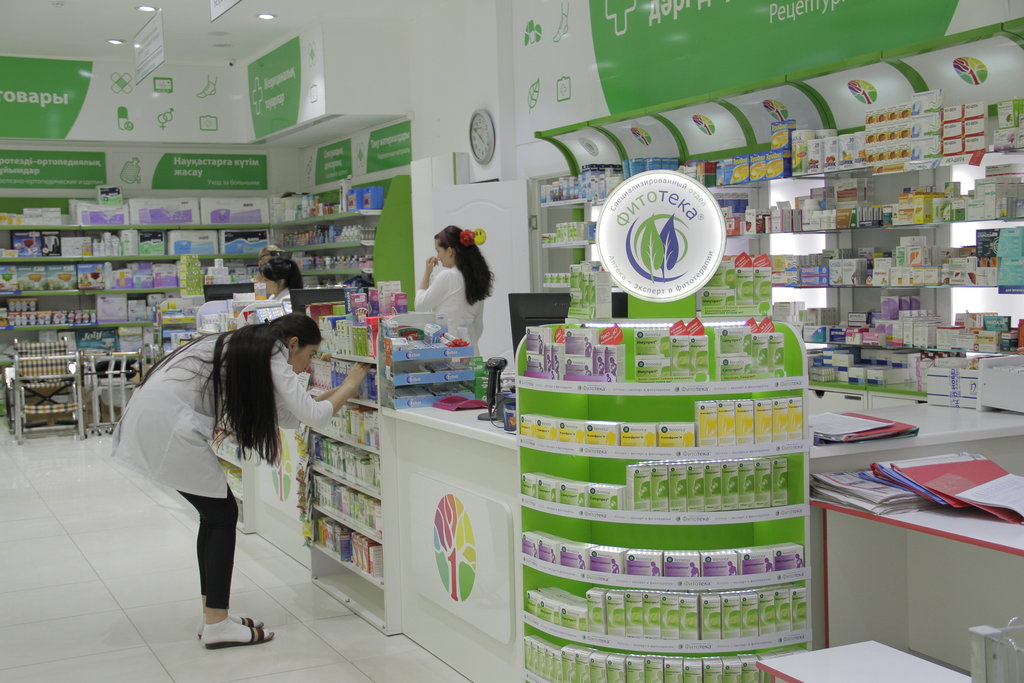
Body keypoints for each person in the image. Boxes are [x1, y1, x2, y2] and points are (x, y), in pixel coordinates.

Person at [112, 313, 369, 649]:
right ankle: (217, 624)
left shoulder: (251, 346)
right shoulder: (274, 352)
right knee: (221, 516)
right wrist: (351, 384)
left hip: (158, 417)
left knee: (215, 516)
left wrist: (338, 392)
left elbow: (290, 415)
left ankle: (213, 616)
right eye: (309, 355)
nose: (307, 366)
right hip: (169, 426)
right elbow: (313, 417)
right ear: (293, 343)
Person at [415, 225, 493, 349]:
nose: (438, 257)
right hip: (470, 350)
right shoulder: (476, 279)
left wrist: (427, 273)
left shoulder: (448, 276)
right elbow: (478, 326)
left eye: (438, 251)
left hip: (449, 351)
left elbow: (420, 305)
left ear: (450, 251)